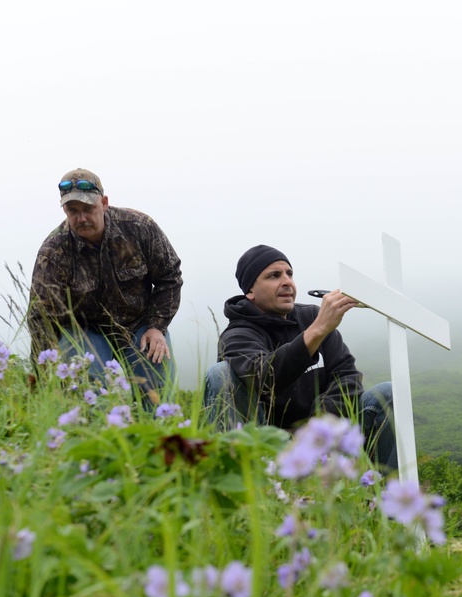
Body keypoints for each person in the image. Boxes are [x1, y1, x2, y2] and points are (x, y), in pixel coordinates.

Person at [204, 245, 397, 470]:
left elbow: (348, 377)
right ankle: (240, 478)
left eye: (289, 273)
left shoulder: (312, 316)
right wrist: (315, 332)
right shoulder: (237, 334)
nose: (287, 281)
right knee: (221, 373)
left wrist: (315, 428)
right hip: (270, 447)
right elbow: (266, 379)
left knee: (388, 393)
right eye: (274, 276)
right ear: (250, 292)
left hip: (323, 437)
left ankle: (382, 495)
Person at [27, 168, 183, 396]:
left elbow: (169, 277)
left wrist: (157, 326)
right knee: (85, 391)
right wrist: (43, 376)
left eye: (88, 209)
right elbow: (40, 316)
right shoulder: (53, 252)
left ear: (104, 203)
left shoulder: (139, 227)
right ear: (64, 210)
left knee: (157, 384)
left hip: (139, 324)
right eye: (72, 211)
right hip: (86, 331)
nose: (81, 218)